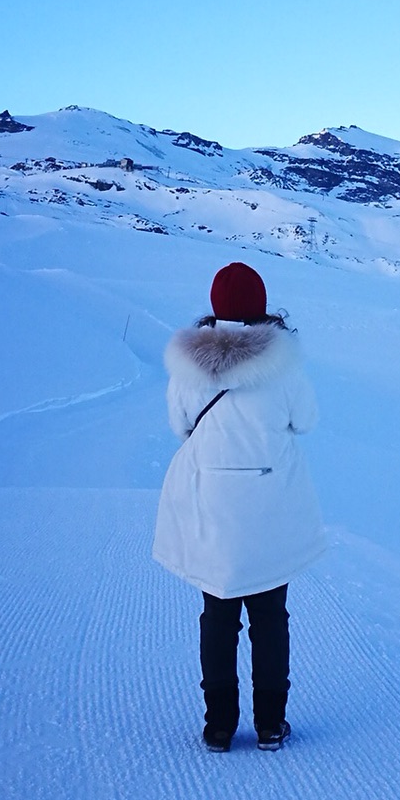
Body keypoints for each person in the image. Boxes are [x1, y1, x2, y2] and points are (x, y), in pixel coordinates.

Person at [153, 262, 325, 751]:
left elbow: (180, 426)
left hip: (211, 507)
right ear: (262, 306)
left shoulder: (187, 369)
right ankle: (271, 723)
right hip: (270, 509)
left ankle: (219, 726)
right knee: (270, 616)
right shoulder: (284, 366)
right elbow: (306, 421)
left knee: (218, 615)